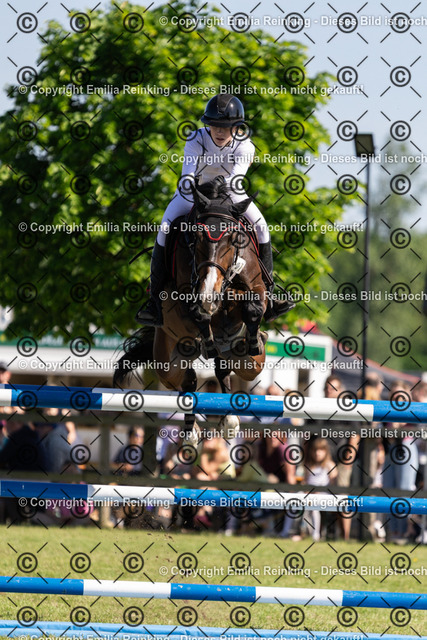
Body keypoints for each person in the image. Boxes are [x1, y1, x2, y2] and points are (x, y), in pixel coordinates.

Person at [137, 93, 291, 326]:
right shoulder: (195, 138)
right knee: (165, 228)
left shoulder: (245, 145)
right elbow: (187, 176)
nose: (219, 131)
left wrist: (216, 198)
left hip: (231, 192)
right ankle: (155, 300)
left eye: (225, 126)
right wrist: (201, 198)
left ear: (236, 127)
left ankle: (269, 295)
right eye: (214, 125)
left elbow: (234, 181)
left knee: (261, 228)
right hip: (193, 193)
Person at [303, 438, 337, 540]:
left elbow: (333, 485)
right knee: (293, 500)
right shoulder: (309, 465)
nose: (317, 453)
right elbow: (305, 481)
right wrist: (307, 491)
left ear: (326, 451)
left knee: (314, 507)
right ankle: (288, 531)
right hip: (309, 494)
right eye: (315, 450)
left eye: (321, 450)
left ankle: (316, 534)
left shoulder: (330, 465)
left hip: (324, 495)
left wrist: (319, 491)